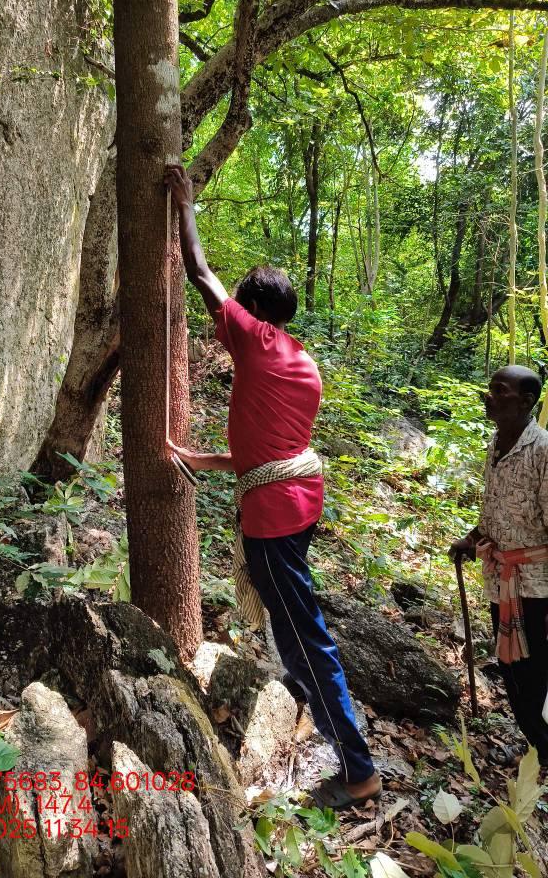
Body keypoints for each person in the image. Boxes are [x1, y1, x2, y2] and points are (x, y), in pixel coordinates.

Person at [163, 164, 381, 809]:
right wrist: (202, 460)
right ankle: (312, 706)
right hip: (299, 499)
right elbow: (270, 451)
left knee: (304, 635)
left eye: (240, 305)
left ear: (255, 311)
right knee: (293, 625)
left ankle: (359, 768)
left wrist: (185, 203)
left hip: (276, 514)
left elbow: (200, 272)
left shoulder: (257, 343)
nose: (228, 316)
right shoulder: (299, 361)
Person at [450, 365, 548, 766]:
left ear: (526, 402)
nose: (488, 396)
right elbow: (496, 506)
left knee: (532, 673)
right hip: (502, 580)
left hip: (537, 588)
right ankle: (537, 746)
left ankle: (542, 748)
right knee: (511, 668)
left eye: (499, 390)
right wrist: (473, 538)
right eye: (490, 388)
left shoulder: (543, 451)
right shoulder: (497, 442)